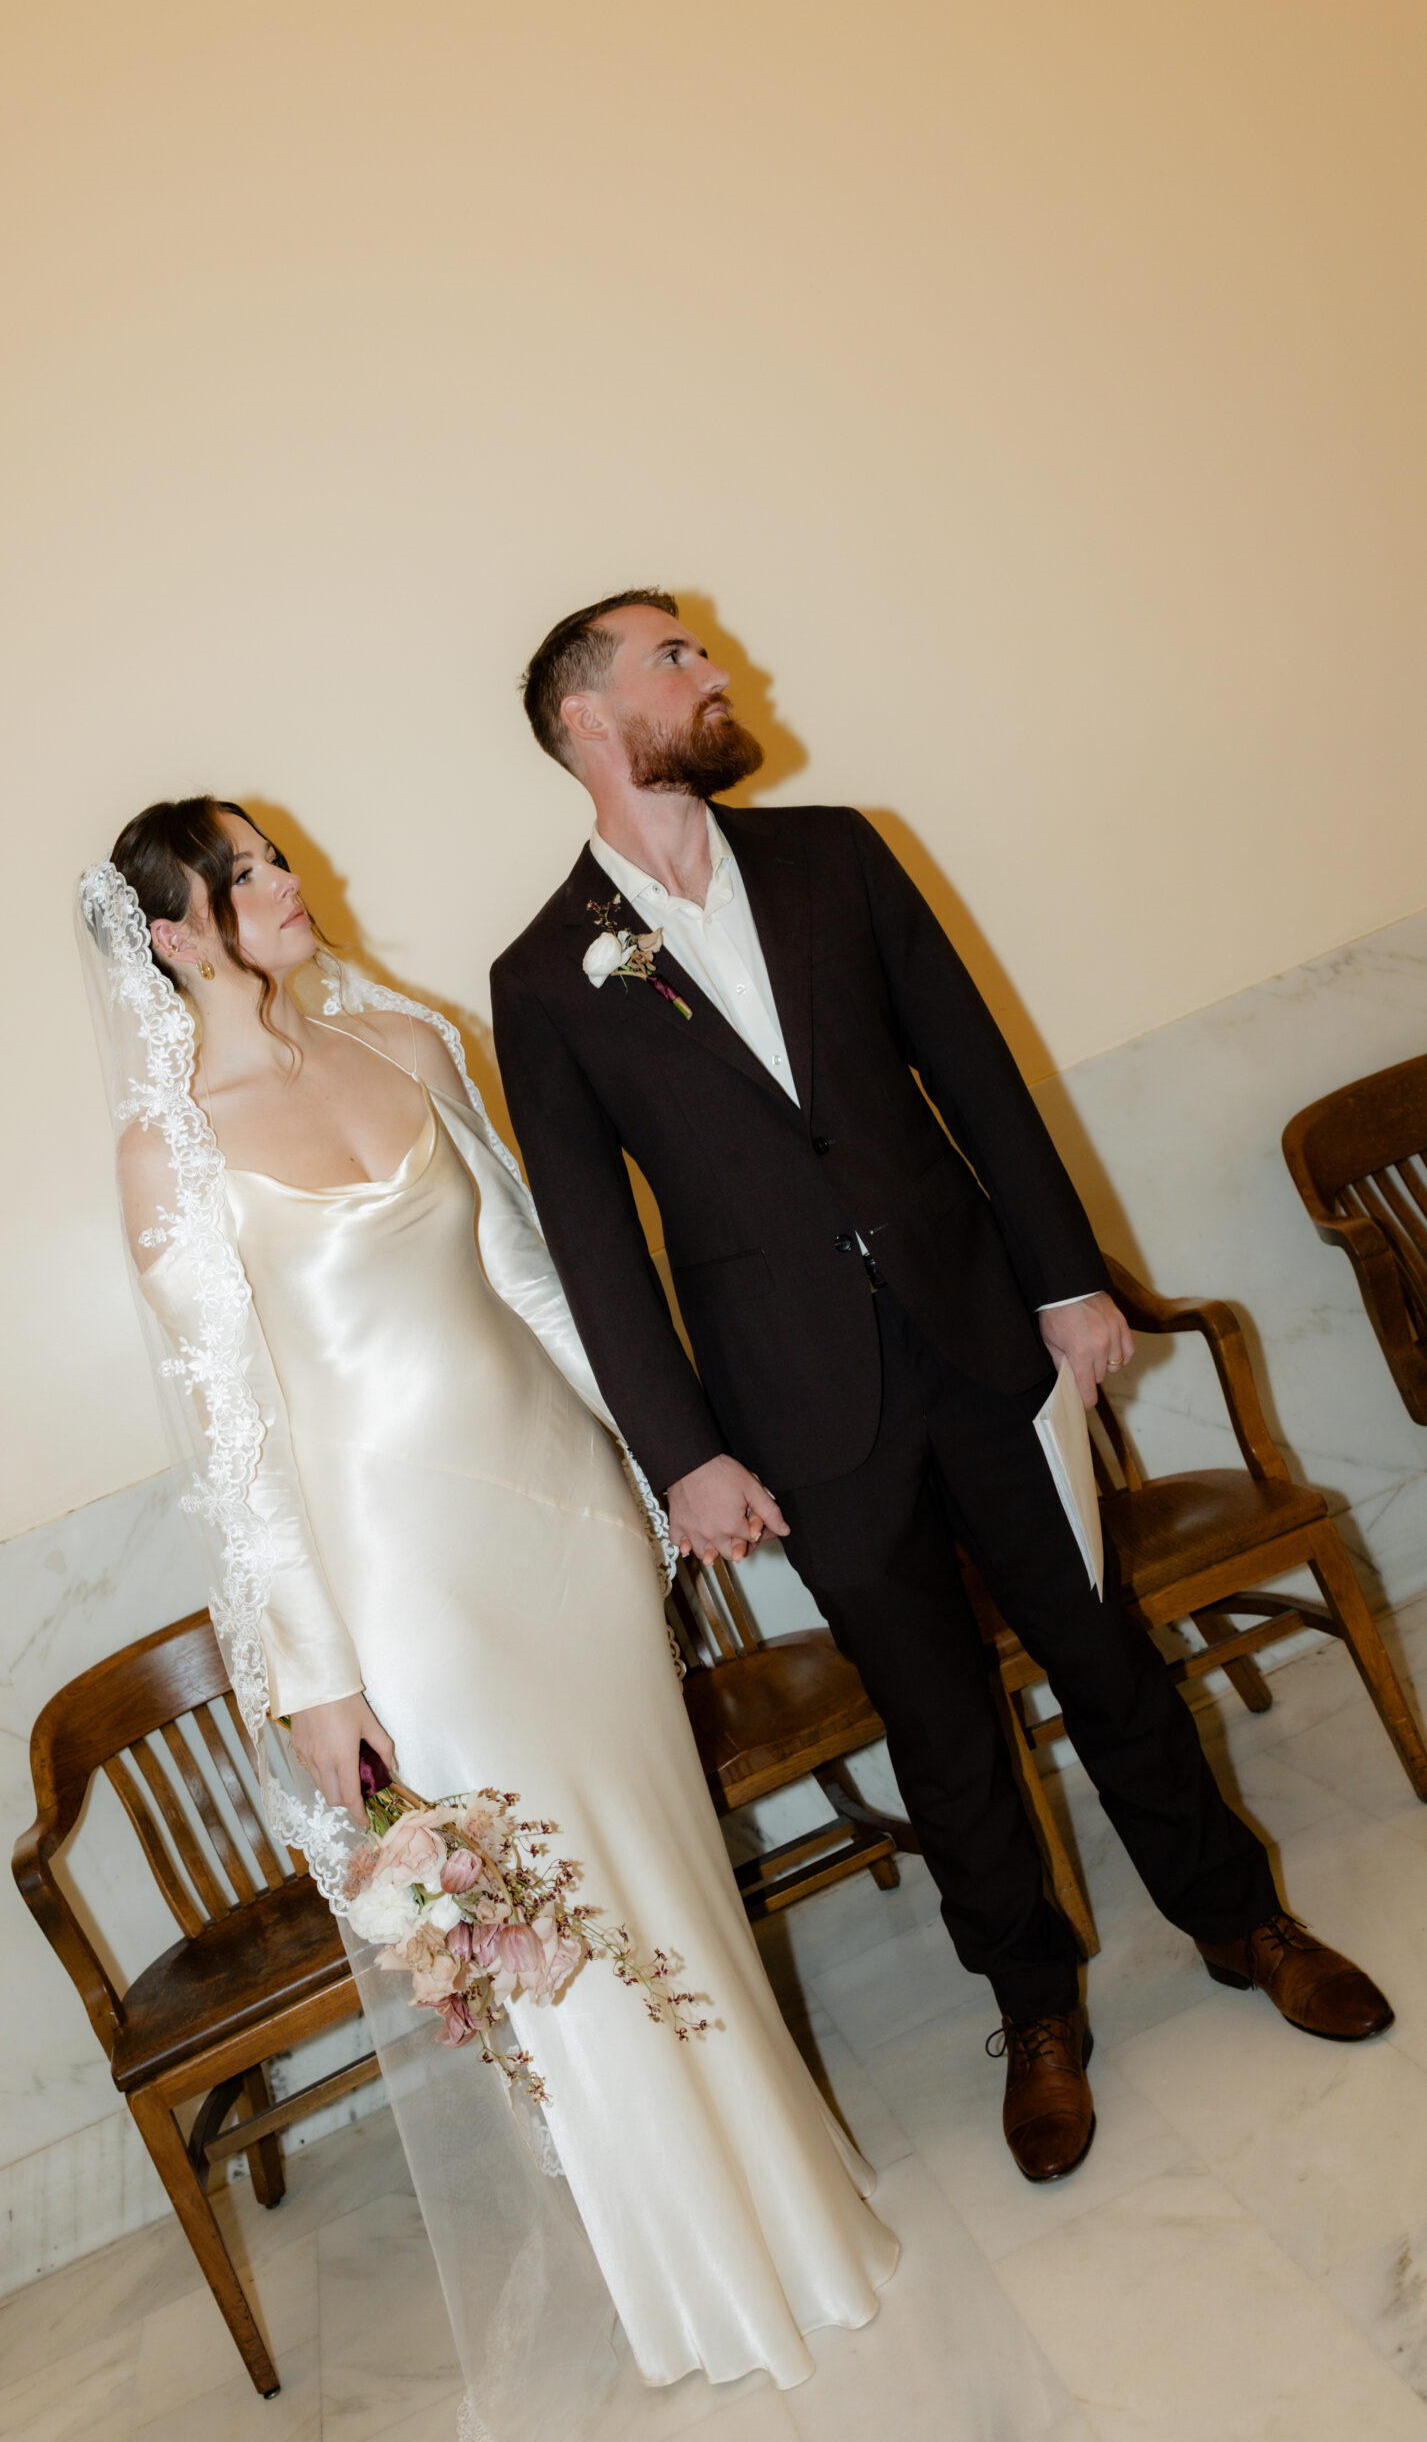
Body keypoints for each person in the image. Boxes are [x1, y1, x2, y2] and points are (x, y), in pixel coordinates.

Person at [490, 590, 1395, 2187]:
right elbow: (593, 1250)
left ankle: (1243, 1922)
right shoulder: (546, 979)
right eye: (676, 659)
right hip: (798, 1408)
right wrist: (684, 1455)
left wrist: (1068, 1279)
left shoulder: (840, 852)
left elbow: (974, 1070)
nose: (718, 674)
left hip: (983, 1334)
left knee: (1104, 1647)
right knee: (936, 1717)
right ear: (585, 719)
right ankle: (1035, 2011)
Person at [86, 796, 899, 2409]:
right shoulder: (162, 1154)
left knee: (667, 1862)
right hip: (410, 1577)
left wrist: (664, 1467)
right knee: (562, 1924)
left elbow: (537, 1278)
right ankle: (698, 2283)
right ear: (172, 937)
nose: (284, 882)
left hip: (564, 1519)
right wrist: (316, 1676)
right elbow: (240, 1442)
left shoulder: (407, 1039)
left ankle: (798, 2215)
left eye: (276, 856)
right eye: (241, 875)